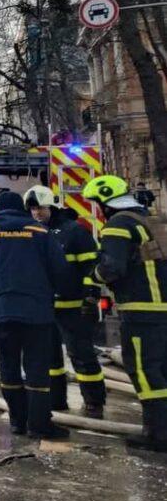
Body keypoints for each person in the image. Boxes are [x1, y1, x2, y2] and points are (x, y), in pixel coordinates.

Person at [0, 190, 74, 440]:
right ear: (24, 208)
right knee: (37, 368)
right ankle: (39, 425)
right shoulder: (40, 232)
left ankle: (17, 421)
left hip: (1, 310)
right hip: (36, 312)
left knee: (8, 367)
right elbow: (60, 269)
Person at [87, 174, 167, 451]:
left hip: (142, 310)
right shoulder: (150, 221)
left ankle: (157, 434)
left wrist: (91, 278)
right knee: (163, 370)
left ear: (104, 203)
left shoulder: (117, 225)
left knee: (144, 370)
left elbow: (112, 268)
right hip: (161, 309)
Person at [25, 185, 106, 418]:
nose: (37, 213)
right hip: (45, 308)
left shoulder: (73, 232)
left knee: (81, 354)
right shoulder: (35, 232)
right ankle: (56, 399)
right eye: (32, 209)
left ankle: (94, 401)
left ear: (51, 206)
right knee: (49, 357)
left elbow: (92, 265)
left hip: (73, 307)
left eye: (40, 208)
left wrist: (91, 296)